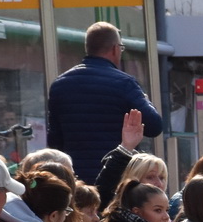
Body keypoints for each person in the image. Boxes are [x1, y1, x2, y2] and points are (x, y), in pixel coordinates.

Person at [45, 22, 162, 175]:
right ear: (115, 49)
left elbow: (55, 140)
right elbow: (154, 126)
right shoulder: (124, 83)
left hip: (77, 179)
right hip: (116, 176)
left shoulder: (60, 85)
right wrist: (145, 99)